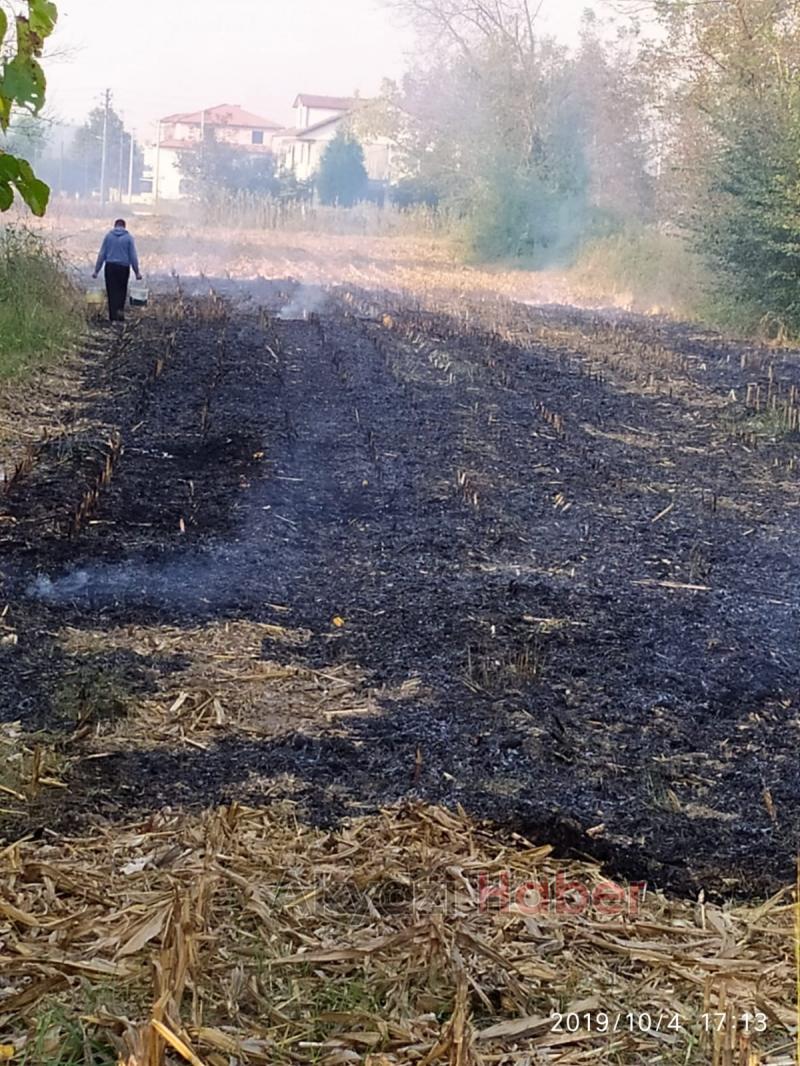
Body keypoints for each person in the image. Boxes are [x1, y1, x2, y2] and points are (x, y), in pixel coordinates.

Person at [92, 219, 142, 324]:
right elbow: (133, 256)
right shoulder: (128, 238)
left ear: (115, 226)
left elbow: (102, 254)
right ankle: (119, 314)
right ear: (124, 226)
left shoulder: (108, 237)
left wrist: (96, 270)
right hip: (123, 268)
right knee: (121, 291)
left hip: (110, 267)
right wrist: (137, 272)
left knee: (111, 291)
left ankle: (112, 316)